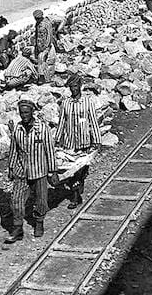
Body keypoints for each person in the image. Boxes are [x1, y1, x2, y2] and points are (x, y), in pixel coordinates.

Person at [5, 98, 59, 242]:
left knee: (41, 200)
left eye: (27, 112)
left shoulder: (42, 128)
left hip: (39, 171)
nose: (24, 115)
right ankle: (17, 229)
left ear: (32, 112)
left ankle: (39, 222)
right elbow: (13, 150)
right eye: (22, 113)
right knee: (16, 200)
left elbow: (50, 150)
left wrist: (53, 171)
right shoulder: (17, 128)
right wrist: (11, 167)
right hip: (22, 170)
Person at [56, 73, 101, 209]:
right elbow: (62, 122)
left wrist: (97, 140)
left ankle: (77, 190)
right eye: (71, 87)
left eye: (75, 86)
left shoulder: (88, 102)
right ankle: (76, 196)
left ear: (80, 86)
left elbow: (93, 121)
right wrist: (57, 139)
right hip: (70, 143)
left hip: (84, 143)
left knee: (81, 170)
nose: (73, 89)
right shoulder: (66, 103)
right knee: (72, 170)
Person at [33, 10, 57, 83]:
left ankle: (42, 77)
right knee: (43, 61)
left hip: (45, 45)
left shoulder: (45, 24)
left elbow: (48, 36)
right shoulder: (41, 23)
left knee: (41, 60)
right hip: (41, 45)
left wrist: (45, 46)